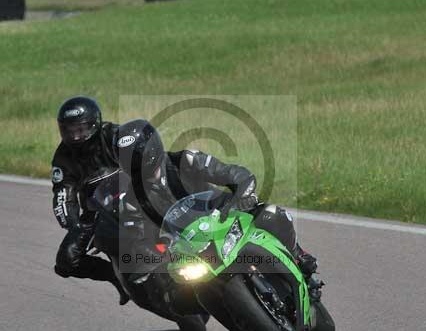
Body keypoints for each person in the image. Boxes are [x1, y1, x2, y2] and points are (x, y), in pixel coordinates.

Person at [112, 119, 324, 300]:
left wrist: (240, 196)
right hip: (186, 248)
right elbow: (138, 240)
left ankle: (298, 256)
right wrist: (151, 256)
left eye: (137, 155)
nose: (135, 164)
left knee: (271, 214)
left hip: (223, 217)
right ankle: (237, 314)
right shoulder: (130, 200)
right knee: (176, 298)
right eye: (127, 159)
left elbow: (233, 173)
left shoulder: (185, 160)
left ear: (152, 148)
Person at [51, 96, 129, 305]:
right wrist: (74, 225)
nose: (75, 136)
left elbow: (144, 155)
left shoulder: (113, 134)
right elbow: (62, 196)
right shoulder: (63, 156)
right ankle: (116, 276)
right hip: (96, 210)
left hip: (132, 195)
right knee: (66, 262)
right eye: (69, 130)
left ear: (94, 124)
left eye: (80, 129)